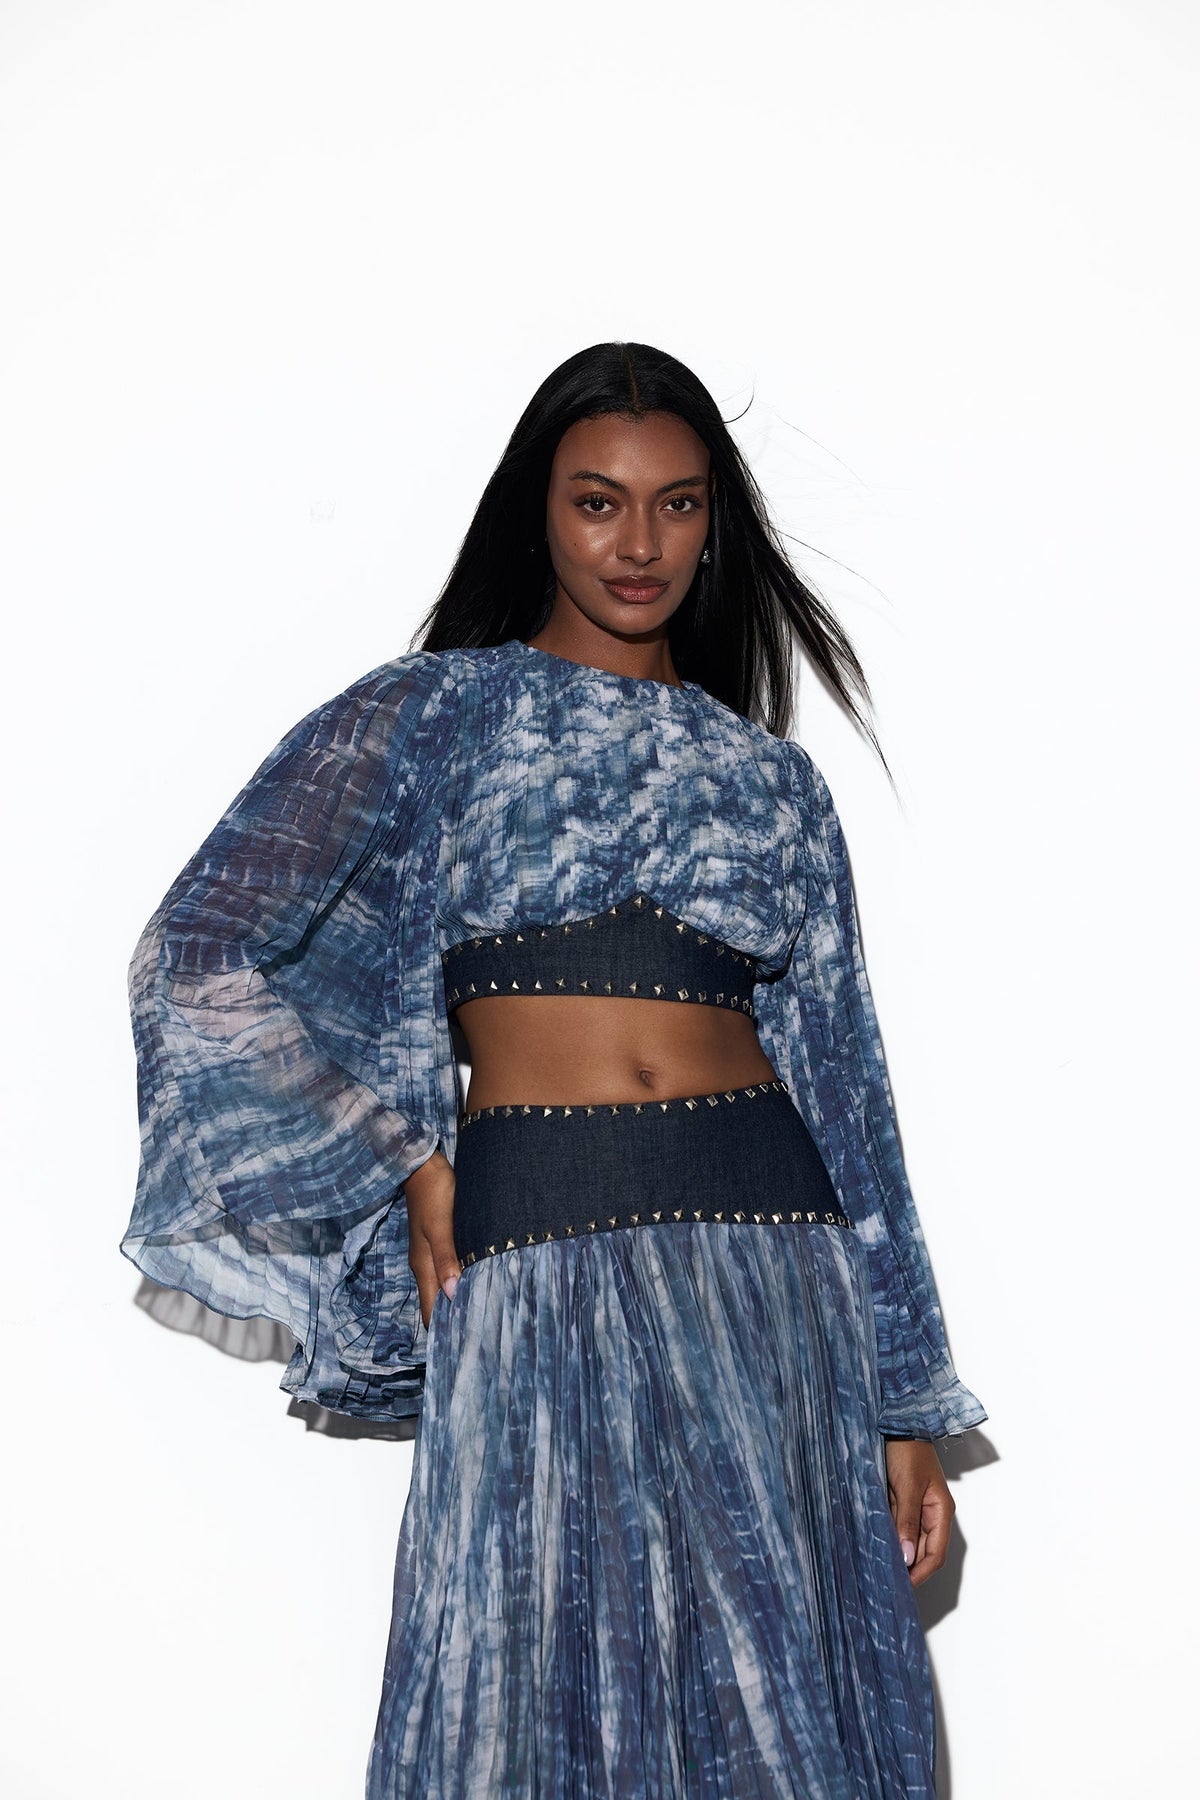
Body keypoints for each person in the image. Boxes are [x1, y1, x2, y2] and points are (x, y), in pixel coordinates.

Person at [121, 341, 987, 1799]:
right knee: (524, 1703)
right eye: (598, 501)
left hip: (773, 1274)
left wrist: (905, 1406)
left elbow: (848, 1091)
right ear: (540, 510)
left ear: (713, 525)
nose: (639, 543)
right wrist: (404, 1154)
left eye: (676, 504)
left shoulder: (773, 781)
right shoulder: (430, 717)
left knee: (780, 1722)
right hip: (536, 1260)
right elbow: (197, 951)